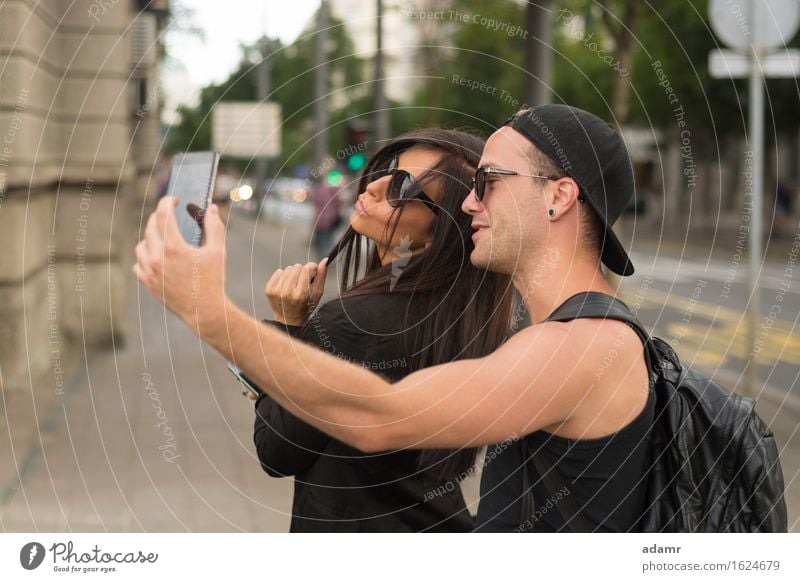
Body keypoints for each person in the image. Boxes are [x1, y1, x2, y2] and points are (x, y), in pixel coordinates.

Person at [134, 104, 653, 532]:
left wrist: (207, 309)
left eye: (489, 180)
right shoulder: (540, 332)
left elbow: (376, 419)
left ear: (559, 196)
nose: (470, 202)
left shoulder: (580, 346)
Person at [253, 129, 513, 532]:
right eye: (388, 170)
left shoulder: (352, 323)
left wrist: (288, 328)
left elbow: (276, 452)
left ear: (441, 227)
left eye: (401, 186)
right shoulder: (470, 316)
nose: (373, 186)